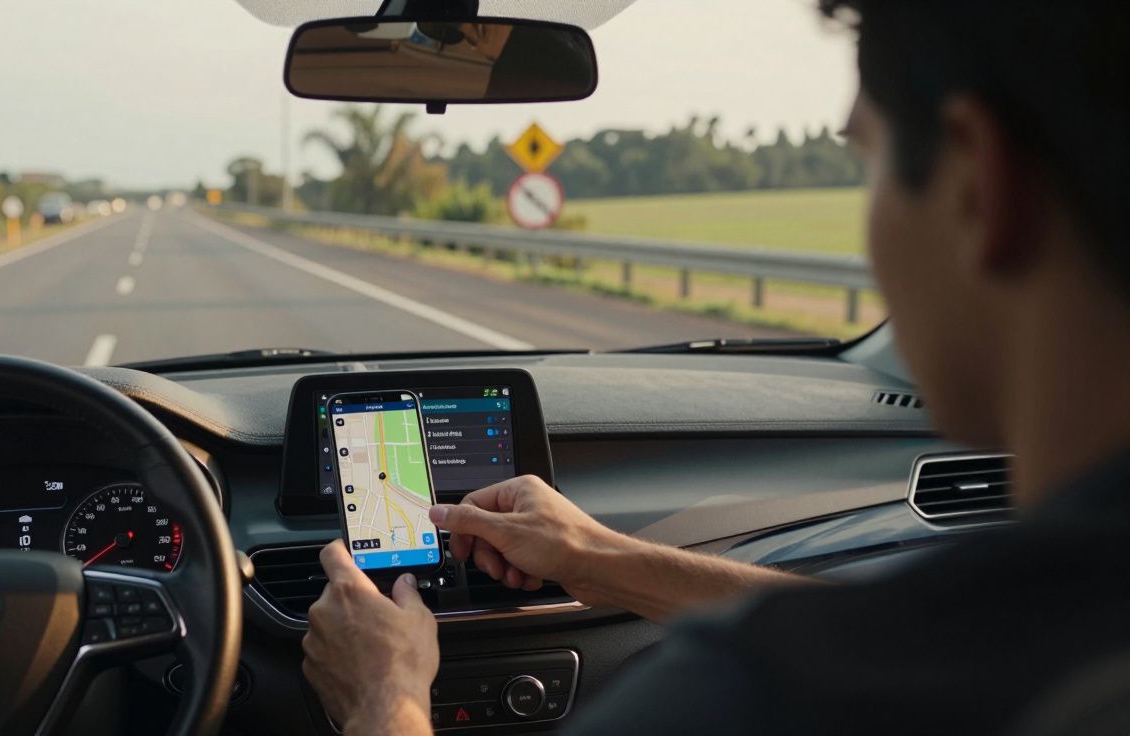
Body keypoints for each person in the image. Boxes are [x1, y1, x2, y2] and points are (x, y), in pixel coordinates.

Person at [300, 0, 1130, 733]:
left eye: (864, 163)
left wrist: (386, 701)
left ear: (977, 186)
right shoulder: (1060, 627)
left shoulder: (741, 697)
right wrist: (598, 558)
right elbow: (941, 640)